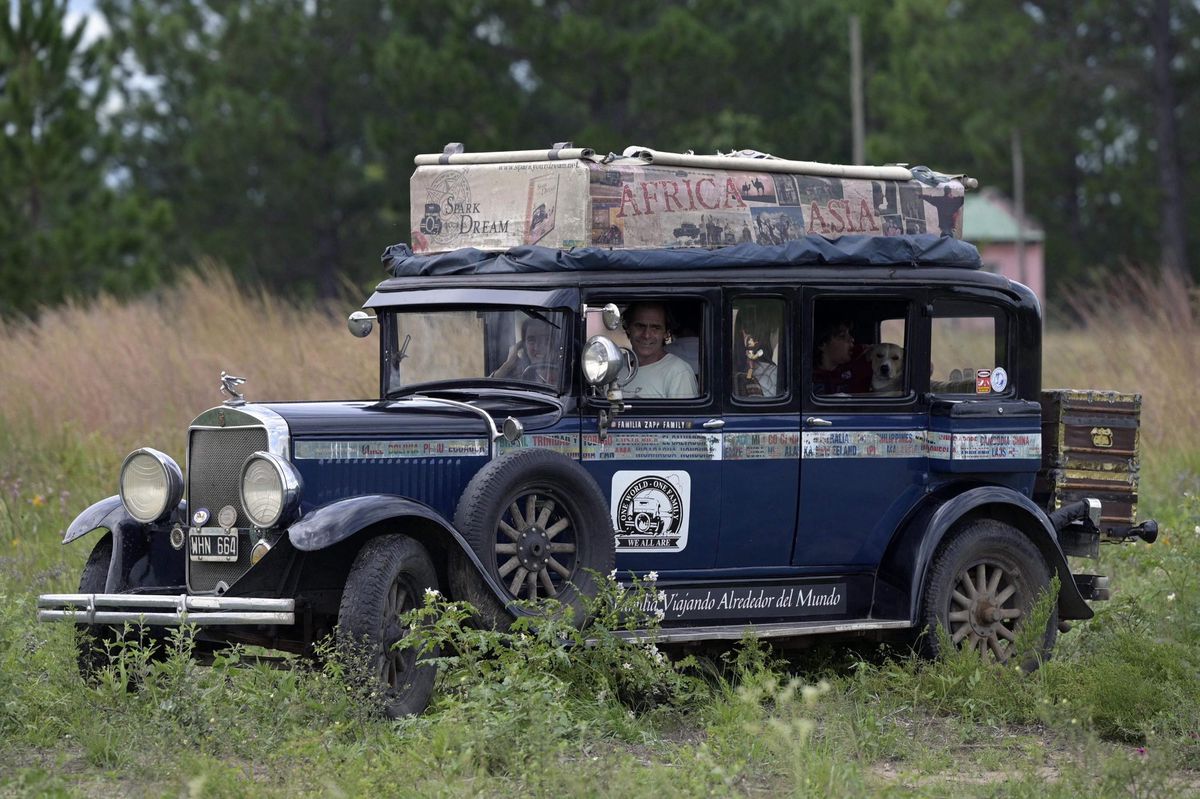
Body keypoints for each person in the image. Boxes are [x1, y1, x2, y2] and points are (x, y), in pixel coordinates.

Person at [622, 303, 698, 399]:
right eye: (640, 326)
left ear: (666, 333)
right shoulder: (614, 367)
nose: (646, 335)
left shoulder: (678, 372)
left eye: (655, 328)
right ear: (628, 328)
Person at [812, 319, 871, 395]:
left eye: (849, 334)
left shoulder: (860, 363)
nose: (851, 339)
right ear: (822, 344)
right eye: (842, 336)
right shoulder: (809, 379)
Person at [491, 317, 558, 382]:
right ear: (524, 345)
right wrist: (508, 365)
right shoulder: (520, 376)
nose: (537, 347)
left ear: (553, 342)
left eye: (544, 340)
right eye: (531, 340)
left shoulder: (562, 373)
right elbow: (489, 387)